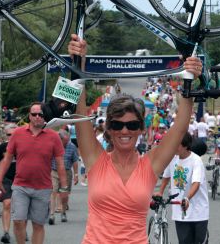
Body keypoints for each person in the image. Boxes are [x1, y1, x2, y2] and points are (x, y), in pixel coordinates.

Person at [68, 33, 202, 243]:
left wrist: (189, 80)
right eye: (117, 125)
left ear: (141, 128)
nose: (124, 131)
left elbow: (179, 129)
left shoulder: (149, 165)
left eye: (132, 125)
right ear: (109, 129)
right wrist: (78, 64)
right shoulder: (96, 160)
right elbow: (80, 114)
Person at [0, 102, 69, 244]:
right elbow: (7, 159)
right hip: (20, 186)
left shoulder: (53, 137)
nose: (37, 117)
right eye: (34, 114)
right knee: (19, 221)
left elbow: (60, 164)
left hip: (43, 188)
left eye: (41, 114)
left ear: (45, 116)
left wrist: (63, 188)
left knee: (38, 225)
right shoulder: (18, 134)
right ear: (29, 116)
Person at [157, 132, 209, 244]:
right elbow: (166, 176)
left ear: (185, 145)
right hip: (180, 210)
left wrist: (187, 198)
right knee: (184, 241)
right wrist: (160, 191)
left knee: (199, 241)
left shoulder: (196, 160)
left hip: (198, 210)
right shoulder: (172, 159)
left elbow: (196, 183)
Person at [49, 129, 79, 224]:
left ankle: (63, 212)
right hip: (54, 172)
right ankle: (52, 215)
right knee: (53, 191)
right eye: (65, 141)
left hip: (66, 172)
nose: (66, 143)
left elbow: (75, 161)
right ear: (59, 139)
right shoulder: (52, 146)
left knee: (64, 194)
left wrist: (76, 174)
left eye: (67, 141)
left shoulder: (72, 147)